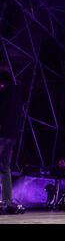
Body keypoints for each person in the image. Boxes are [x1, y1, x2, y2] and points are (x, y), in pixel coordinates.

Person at [0, 68, 25, 214]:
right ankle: (7, 200)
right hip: (12, 135)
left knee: (4, 167)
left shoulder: (4, 93)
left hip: (2, 133)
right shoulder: (17, 94)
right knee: (5, 167)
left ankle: (7, 200)